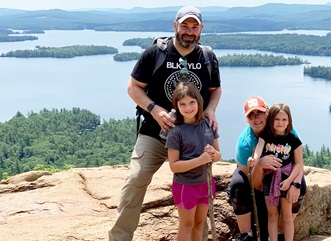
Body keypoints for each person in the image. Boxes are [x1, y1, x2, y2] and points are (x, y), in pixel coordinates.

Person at [109, 6, 221, 241]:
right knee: (135, 182)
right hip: (154, 134)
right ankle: (119, 238)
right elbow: (133, 87)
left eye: (194, 27)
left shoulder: (207, 57)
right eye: (184, 26)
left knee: (198, 195)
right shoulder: (155, 53)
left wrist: (210, 109)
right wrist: (154, 109)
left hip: (193, 139)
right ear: (175, 26)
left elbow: (215, 89)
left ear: (201, 29)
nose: (189, 32)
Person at [229, 96, 306, 241]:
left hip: (285, 172)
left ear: (268, 113)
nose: (256, 118)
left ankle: (282, 230)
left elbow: (298, 162)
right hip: (257, 176)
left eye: (260, 113)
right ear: (246, 119)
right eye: (251, 115)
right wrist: (258, 164)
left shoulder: (287, 131)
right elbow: (255, 184)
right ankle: (247, 234)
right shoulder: (246, 142)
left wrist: (294, 184)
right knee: (237, 186)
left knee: (301, 186)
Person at [166, 82, 221, 241]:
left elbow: (218, 155)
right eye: (182, 104)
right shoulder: (176, 132)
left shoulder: (208, 125)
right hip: (186, 186)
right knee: (187, 225)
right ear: (176, 106)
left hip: (205, 183)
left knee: (199, 224)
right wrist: (201, 160)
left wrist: (213, 154)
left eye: (192, 102)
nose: (188, 107)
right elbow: (174, 166)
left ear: (199, 102)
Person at [251, 103, 304, 241]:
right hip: (270, 178)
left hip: (287, 177)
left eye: (284, 120)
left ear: (289, 121)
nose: (280, 123)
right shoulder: (266, 136)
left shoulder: (294, 140)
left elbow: (298, 163)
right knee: (272, 215)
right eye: (277, 119)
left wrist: (289, 181)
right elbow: (258, 150)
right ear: (271, 120)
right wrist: (254, 159)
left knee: (286, 216)